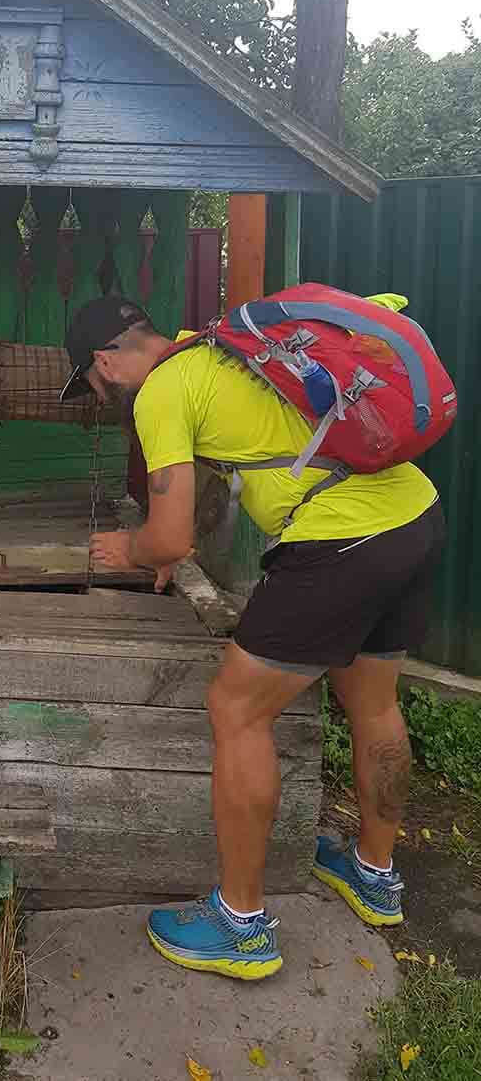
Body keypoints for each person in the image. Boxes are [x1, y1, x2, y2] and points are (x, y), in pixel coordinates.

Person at [60, 294, 445, 981]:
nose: (100, 396)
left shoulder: (160, 391)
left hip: (342, 539)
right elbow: (215, 486)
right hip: (412, 516)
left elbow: (170, 530)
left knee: (236, 707)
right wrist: (169, 545)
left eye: (91, 385)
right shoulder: (217, 347)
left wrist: (134, 545)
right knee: (376, 704)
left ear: (104, 361)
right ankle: (375, 875)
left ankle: (240, 925)